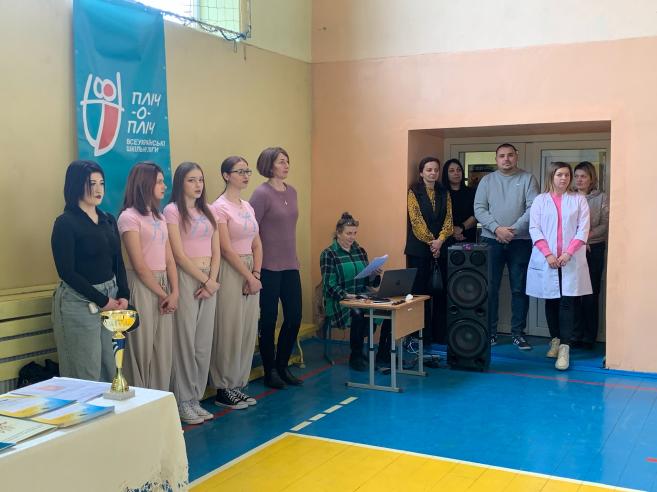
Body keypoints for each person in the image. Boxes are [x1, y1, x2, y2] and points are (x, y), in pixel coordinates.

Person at [51, 160, 129, 381]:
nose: (98, 189)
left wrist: (124, 294)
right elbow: (66, 272)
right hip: (79, 301)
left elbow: (118, 261)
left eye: (101, 183)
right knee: (86, 372)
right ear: (76, 185)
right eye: (91, 184)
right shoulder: (65, 223)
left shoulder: (108, 220)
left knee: (110, 368)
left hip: (111, 298)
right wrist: (102, 300)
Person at [164, 162, 220, 424]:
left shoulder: (208, 210)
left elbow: (216, 250)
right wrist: (204, 280)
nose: (198, 185)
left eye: (200, 180)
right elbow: (178, 254)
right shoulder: (172, 211)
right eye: (191, 180)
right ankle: (182, 399)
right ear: (180, 183)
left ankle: (195, 398)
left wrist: (212, 280)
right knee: (185, 340)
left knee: (202, 343)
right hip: (188, 278)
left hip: (209, 280)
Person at [118, 162, 179, 391]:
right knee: (140, 350)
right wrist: (164, 295)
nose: (164, 186)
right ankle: (139, 401)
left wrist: (175, 292)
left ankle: (160, 400)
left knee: (162, 351)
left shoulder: (159, 217)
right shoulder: (129, 217)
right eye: (159, 182)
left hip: (163, 286)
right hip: (142, 286)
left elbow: (169, 259)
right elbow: (140, 266)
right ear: (145, 183)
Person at [526, 162, 592, 370]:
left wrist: (568, 253)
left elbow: (583, 230)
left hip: (570, 260)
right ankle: (555, 339)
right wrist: (548, 254)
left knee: (567, 302)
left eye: (567, 175)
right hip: (548, 259)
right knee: (551, 301)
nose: (564, 178)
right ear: (551, 177)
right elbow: (534, 228)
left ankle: (565, 348)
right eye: (559, 174)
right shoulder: (540, 200)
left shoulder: (579, 200)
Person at [209, 156, 263, 410]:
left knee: (247, 328)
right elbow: (226, 248)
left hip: (251, 269)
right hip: (232, 270)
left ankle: (239, 383)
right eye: (240, 171)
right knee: (230, 328)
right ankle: (224, 387)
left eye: (247, 171)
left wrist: (257, 274)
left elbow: (257, 242)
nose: (245, 175)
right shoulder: (219, 207)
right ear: (226, 175)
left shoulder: (248, 206)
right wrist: (248, 276)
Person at [474, 143, 539, 350]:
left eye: (510, 155)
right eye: (502, 156)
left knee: (519, 289)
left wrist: (513, 230)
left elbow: (533, 208)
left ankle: (518, 334)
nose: (506, 159)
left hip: (520, 241)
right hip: (491, 240)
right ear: (496, 159)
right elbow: (479, 209)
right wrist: (497, 229)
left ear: (516, 157)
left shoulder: (528, 179)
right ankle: (491, 333)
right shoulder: (487, 181)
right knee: (490, 288)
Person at [250, 147, 303, 389]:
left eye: (287, 161)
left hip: (290, 265)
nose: (286, 165)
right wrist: (255, 268)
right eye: (281, 161)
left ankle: (282, 365)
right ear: (269, 165)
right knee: (269, 320)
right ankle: (270, 370)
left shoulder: (292, 192)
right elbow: (252, 231)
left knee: (294, 317)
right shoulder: (261, 194)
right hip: (268, 267)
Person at [320, 212, 391, 371]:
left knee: (386, 309)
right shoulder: (329, 254)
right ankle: (356, 355)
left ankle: (383, 354)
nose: (352, 237)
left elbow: (368, 282)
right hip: (340, 300)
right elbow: (329, 286)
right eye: (348, 233)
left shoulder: (360, 251)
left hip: (360, 297)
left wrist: (373, 274)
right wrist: (347, 295)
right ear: (338, 233)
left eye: (354, 233)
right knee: (358, 313)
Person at [404, 157, 453, 346]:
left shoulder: (444, 192)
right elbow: (416, 220)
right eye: (429, 170)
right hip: (419, 250)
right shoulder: (414, 192)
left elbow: (449, 219)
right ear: (421, 172)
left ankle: (440, 335)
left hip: (441, 248)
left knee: (441, 292)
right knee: (419, 294)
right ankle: (421, 336)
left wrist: (440, 241)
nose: (433, 173)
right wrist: (432, 242)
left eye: (436, 170)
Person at [572, 161, 609, 349]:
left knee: (591, 294)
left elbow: (605, 224)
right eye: (577, 176)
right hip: (572, 250)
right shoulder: (568, 197)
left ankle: (589, 337)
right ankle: (574, 335)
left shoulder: (601, 197)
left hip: (594, 249)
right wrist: (577, 241)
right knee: (573, 293)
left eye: (583, 176)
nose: (579, 180)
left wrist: (584, 238)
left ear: (591, 178)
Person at [442, 158, 476, 244]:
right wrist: (452, 231)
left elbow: (476, 215)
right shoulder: (440, 193)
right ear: (446, 174)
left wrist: (461, 228)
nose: (456, 173)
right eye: (451, 171)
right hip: (445, 239)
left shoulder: (472, 192)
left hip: (468, 238)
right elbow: (438, 218)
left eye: (459, 170)